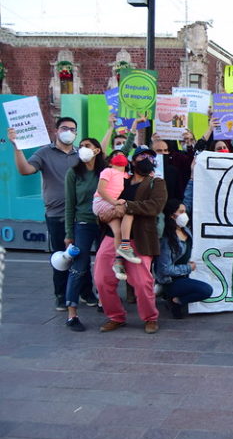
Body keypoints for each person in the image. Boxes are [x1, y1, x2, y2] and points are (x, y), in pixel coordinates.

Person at [8, 117, 81, 310]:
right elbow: (25, 170)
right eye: (65, 128)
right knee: (61, 256)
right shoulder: (44, 153)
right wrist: (17, 147)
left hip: (79, 215)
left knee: (81, 256)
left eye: (73, 129)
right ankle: (61, 294)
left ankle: (85, 291)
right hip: (56, 215)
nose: (69, 132)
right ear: (55, 131)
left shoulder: (80, 155)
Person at [94, 147, 167, 334]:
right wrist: (104, 214)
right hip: (113, 236)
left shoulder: (156, 182)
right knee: (102, 279)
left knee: (142, 283)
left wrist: (127, 206)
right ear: (133, 161)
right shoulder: (121, 179)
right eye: (142, 156)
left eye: (151, 157)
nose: (147, 159)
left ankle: (150, 318)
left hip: (140, 238)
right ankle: (115, 316)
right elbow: (105, 198)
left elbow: (155, 206)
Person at [62, 138, 106, 331]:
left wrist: (129, 132)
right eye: (81, 146)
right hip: (83, 224)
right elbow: (69, 205)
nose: (83, 149)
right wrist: (69, 233)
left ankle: (104, 302)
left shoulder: (105, 172)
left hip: (105, 223)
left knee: (105, 266)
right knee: (79, 267)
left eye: (87, 146)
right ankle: (72, 313)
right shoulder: (73, 173)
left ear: (97, 150)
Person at [155, 199, 213, 319]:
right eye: (181, 212)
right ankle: (175, 301)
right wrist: (188, 268)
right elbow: (164, 269)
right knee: (206, 290)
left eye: (184, 211)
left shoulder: (185, 230)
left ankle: (175, 301)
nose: (184, 215)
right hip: (171, 281)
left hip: (184, 276)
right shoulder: (167, 240)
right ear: (172, 215)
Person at [92, 150, 139, 278]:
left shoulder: (125, 175)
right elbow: (101, 190)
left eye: (123, 156)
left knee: (118, 231)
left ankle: (118, 263)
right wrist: (115, 202)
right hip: (102, 202)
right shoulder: (107, 171)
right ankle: (125, 247)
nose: (120, 157)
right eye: (116, 156)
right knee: (128, 210)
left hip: (111, 204)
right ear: (110, 162)